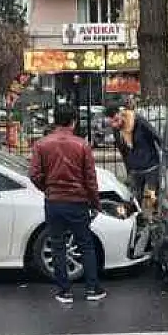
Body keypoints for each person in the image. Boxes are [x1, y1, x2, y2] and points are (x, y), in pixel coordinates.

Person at [29, 105, 107, 304]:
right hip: (78, 201)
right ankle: (92, 288)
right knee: (85, 244)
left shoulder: (42, 145)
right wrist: (95, 202)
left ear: (55, 121)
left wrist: (47, 188)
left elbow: (35, 175)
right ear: (74, 122)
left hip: (54, 200)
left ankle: (64, 291)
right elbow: (90, 178)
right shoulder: (82, 145)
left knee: (57, 246)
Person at [107, 103, 161, 208]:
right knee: (135, 199)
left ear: (121, 114)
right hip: (135, 169)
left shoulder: (138, 121)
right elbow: (123, 151)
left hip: (151, 166)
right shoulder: (117, 130)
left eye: (116, 120)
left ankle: (154, 219)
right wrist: (129, 170)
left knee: (152, 197)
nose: (115, 125)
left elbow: (156, 136)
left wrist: (165, 157)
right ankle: (138, 221)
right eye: (112, 123)